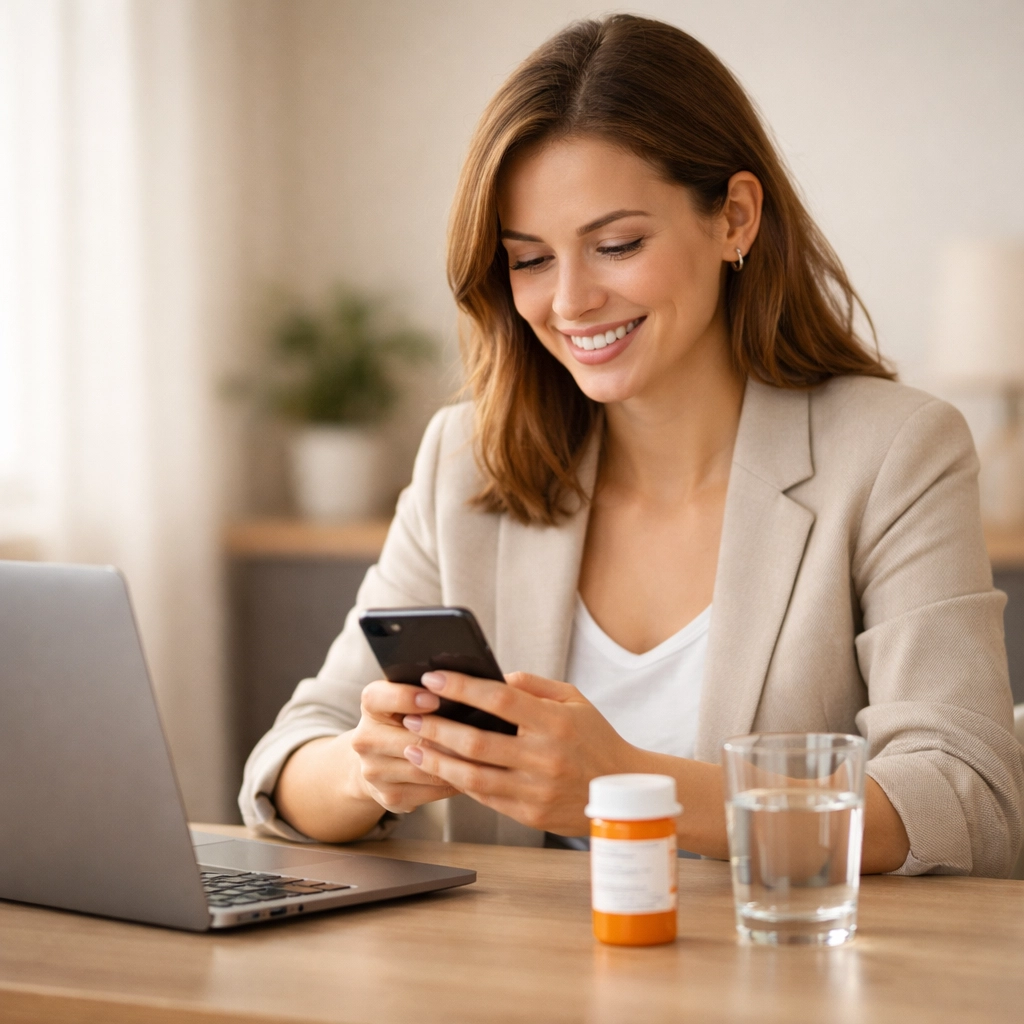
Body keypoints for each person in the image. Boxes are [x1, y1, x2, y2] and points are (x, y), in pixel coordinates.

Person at [240, 14, 1023, 876]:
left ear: (734, 218)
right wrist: (370, 768)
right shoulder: (466, 461)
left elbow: (964, 796)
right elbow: (294, 758)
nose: (570, 301)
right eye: (530, 259)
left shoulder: (894, 453)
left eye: (616, 245)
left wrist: (624, 784)